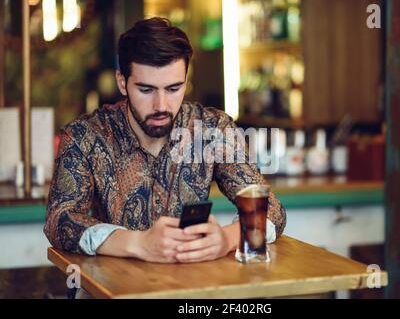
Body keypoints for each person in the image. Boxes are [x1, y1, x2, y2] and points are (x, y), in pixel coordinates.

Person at [44, 17, 286, 265]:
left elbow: (272, 212)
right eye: (146, 90)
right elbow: (60, 220)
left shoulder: (212, 130)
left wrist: (226, 239)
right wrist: (138, 243)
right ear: (122, 82)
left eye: (173, 89)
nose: (161, 106)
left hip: (190, 293)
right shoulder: (85, 135)